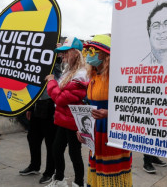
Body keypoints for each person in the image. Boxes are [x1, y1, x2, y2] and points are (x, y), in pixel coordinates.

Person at [77, 35, 132, 186]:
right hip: (95, 132)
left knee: (112, 173)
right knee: (97, 172)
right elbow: (89, 105)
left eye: (93, 51)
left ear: (105, 55)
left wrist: (110, 113)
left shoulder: (118, 77)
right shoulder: (93, 76)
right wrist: (81, 129)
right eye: (87, 51)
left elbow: (131, 107)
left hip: (112, 132)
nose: (89, 54)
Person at [46, 37, 88, 187]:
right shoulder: (69, 71)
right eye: (62, 53)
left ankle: (79, 183)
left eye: (66, 52)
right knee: (57, 149)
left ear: (75, 53)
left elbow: (60, 99)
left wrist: (51, 81)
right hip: (64, 119)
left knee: (74, 153)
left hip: (73, 121)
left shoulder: (80, 75)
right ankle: (59, 179)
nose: (62, 56)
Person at [19, 58, 62, 185]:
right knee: (32, 137)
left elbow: (58, 68)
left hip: (50, 104)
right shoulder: (36, 60)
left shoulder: (54, 61)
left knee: (50, 141)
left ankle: (49, 172)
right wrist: (30, 108)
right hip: (37, 103)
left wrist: (57, 55)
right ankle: (34, 166)